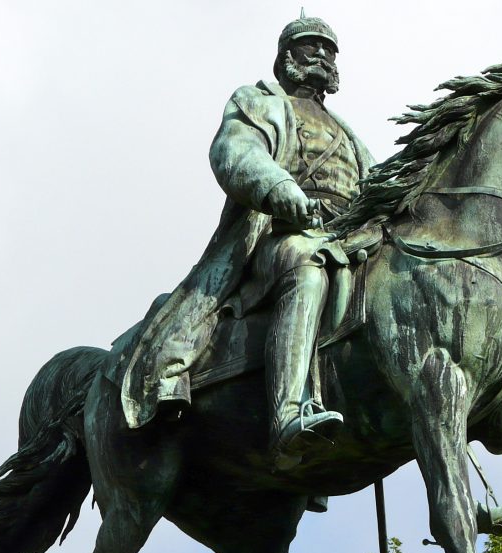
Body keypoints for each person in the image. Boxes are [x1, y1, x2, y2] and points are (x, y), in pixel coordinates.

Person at [118, 14, 374, 470]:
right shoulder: (257, 102)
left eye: (328, 50)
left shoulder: (350, 135)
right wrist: (282, 192)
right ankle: (288, 416)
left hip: (348, 239)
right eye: (309, 46)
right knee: (305, 267)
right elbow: (234, 152)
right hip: (278, 235)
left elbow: (377, 186)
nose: (320, 55)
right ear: (286, 57)